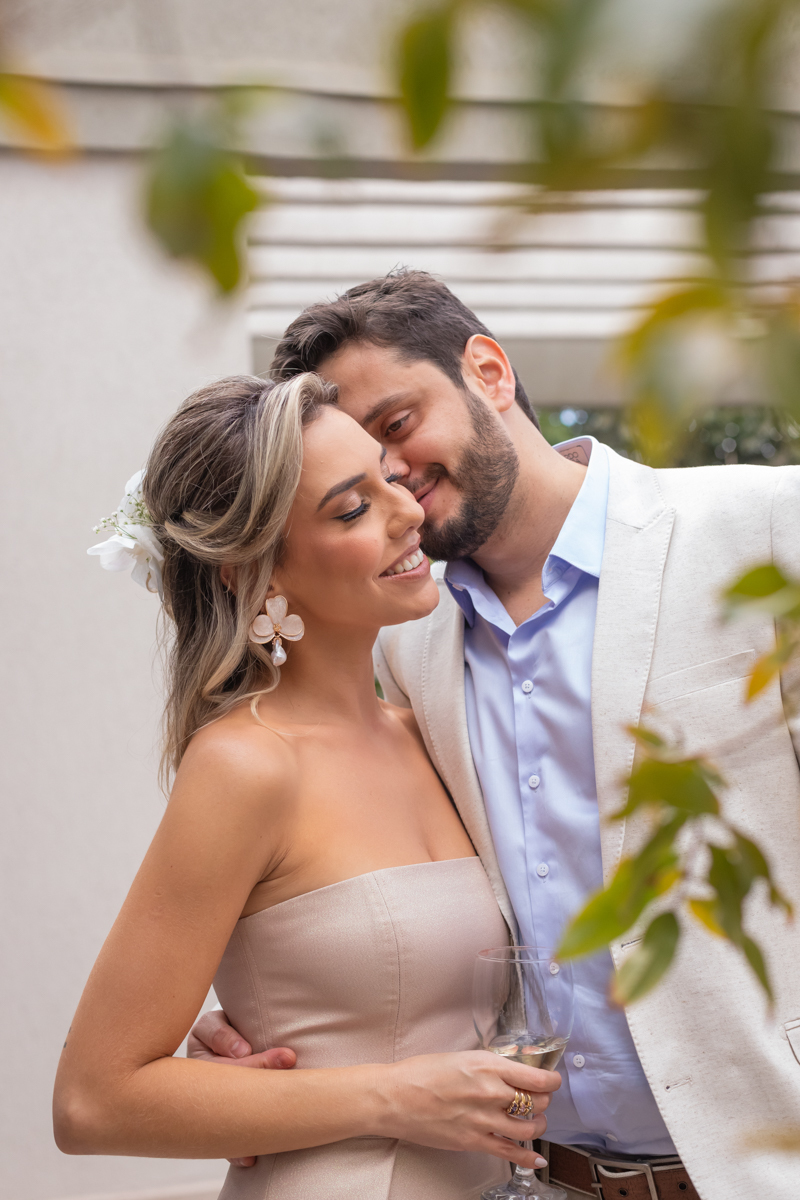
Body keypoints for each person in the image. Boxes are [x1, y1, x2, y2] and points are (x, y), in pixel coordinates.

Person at [193, 271, 800, 1200]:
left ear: (488, 370)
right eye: (363, 463)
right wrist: (261, 1025)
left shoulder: (763, 530)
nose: (392, 475)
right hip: (536, 1181)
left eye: (397, 425)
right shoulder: (405, 644)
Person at [54, 371, 567, 1199]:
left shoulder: (426, 726)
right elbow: (91, 1101)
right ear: (256, 571)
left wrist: (246, 1087)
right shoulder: (244, 766)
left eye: (391, 480)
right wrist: (396, 1094)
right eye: (352, 508)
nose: (407, 513)